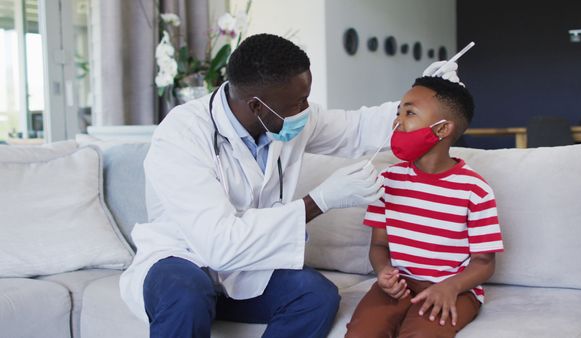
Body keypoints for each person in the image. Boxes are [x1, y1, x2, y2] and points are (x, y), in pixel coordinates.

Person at [119, 33, 461, 338]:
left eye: (307, 97)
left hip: (244, 269)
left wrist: (422, 100)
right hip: (181, 261)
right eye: (298, 102)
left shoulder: (286, 117)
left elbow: (357, 128)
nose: (306, 109)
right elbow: (218, 245)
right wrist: (321, 200)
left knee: (315, 296)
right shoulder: (180, 136)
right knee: (186, 294)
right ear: (256, 105)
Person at [345, 76, 504, 338]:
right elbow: (379, 246)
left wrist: (451, 288)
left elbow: (484, 263)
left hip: (452, 290)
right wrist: (383, 271)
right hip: (398, 286)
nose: (397, 121)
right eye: (398, 112)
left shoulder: (475, 190)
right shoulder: (387, 181)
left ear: (442, 129)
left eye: (410, 112)